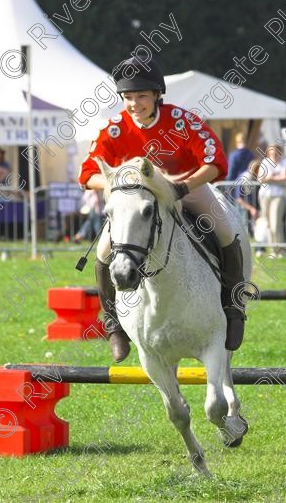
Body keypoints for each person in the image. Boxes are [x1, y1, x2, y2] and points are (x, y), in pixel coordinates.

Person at [78, 57, 248, 362]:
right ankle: (114, 325)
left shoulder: (182, 121)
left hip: (184, 188)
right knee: (103, 252)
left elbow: (215, 160)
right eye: (128, 98)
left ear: (157, 95)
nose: (134, 104)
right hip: (136, 198)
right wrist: (117, 185)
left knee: (225, 231)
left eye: (141, 96)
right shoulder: (114, 128)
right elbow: (88, 173)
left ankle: (234, 310)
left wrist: (184, 187)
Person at [258, 144, 286, 257]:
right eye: (271, 153)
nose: (274, 155)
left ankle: (280, 250)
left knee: (276, 223)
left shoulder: (284, 162)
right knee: (268, 223)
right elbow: (261, 178)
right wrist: (277, 177)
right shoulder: (265, 162)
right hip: (264, 195)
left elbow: (285, 178)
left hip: (278, 195)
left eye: (276, 153)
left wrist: (270, 177)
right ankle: (273, 251)